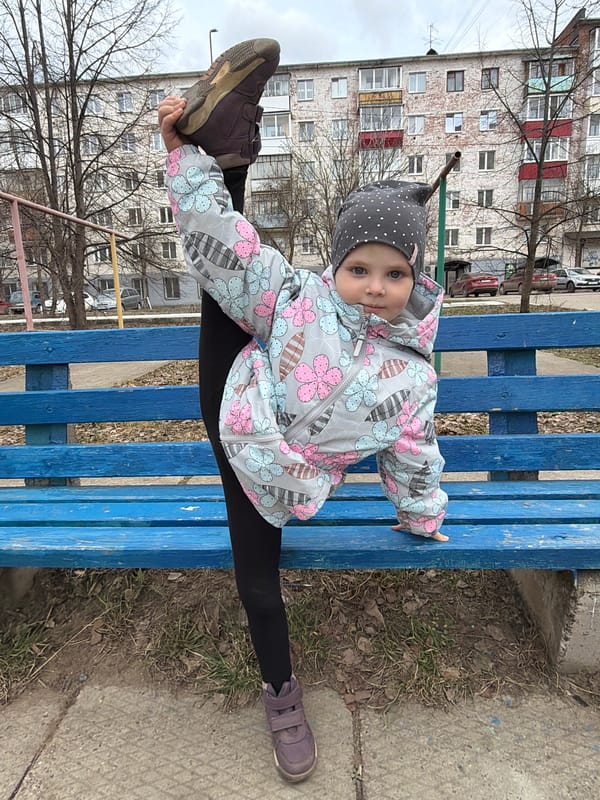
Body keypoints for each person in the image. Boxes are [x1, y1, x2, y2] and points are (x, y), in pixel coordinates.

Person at [158, 37, 448, 784]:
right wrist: (181, 161)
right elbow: (227, 249)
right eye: (359, 268)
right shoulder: (298, 297)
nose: (375, 286)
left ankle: (227, 150)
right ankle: (222, 154)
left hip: (285, 480)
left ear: (415, 279)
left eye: (394, 273)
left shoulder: (412, 375)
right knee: (230, 284)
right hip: (238, 414)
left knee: (260, 581)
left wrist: (421, 514)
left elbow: (413, 452)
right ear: (336, 265)